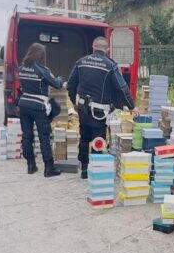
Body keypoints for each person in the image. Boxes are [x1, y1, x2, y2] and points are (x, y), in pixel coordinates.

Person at [67, 36, 135, 178]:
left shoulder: (81, 62)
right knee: (98, 138)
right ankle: (96, 168)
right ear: (107, 49)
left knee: (84, 136)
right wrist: (131, 106)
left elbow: (71, 84)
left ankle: (84, 168)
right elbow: (122, 87)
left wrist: (74, 101)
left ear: (93, 47)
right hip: (100, 111)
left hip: (82, 107)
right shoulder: (110, 65)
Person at [16, 43, 64, 177]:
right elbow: (56, 84)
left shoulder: (21, 68)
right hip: (38, 106)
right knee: (44, 136)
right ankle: (49, 168)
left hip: (24, 104)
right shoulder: (42, 70)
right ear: (42, 56)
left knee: (27, 136)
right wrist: (60, 79)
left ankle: (30, 165)